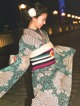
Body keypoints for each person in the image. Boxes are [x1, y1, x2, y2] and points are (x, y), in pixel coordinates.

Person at [0, 2, 76, 106]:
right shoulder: (26, 38)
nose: (44, 22)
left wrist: (64, 52)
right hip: (42, 79)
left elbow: (52, 51)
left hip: (54, 76)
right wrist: (13, 64)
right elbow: (21, 64)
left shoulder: (44, 33)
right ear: (34, 18)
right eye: (43, 19)